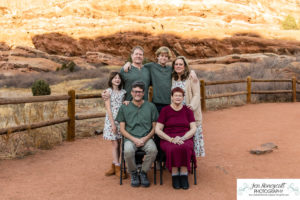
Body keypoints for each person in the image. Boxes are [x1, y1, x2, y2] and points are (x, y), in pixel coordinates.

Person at [123, 46, 198, 113]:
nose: (164, 58)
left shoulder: (170, 69)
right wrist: (128, 63)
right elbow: (138, 65)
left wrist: (192, 71)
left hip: (170, 103)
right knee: (157, 124)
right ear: (157, 57)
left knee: (168, 125)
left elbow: (180, 68)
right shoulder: (151, 66)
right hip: (156, 103)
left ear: (168, 58)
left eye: (166, 56)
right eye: (161, 55)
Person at [116, 81, 158, 187]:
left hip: (146, 138)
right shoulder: (124, 107)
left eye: (139, 92)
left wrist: (144, 139)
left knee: (153, 150)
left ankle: (143, 172)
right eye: (135, 91)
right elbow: (122, 129)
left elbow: (154, 127)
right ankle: (134, 173)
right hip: (130, 138)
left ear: (144, 93)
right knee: (128, 151)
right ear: (131, 93)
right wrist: (134, 139)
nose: (137, 94)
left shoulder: (151, 107)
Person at [155, 87, 197, 189]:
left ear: (183, 98)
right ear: (172, 97)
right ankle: (174, 174)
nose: (178, 97)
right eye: (175, 95)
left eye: (180, 96)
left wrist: (183, 138)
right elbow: (157, 129)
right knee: (173, 148)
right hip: (168, 137)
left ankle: (183, 173)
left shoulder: (188, 111)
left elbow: (193, 128)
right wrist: (171, 139)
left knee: (185, 147)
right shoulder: (165, 110)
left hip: (185, 137)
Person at [171, 56, 205, 157]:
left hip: (189, 111)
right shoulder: (173, 78)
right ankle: (181, 158)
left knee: (191, 134)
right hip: (177, 112)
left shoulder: (191, 77)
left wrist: (191, 106)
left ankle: (191, 159)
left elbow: (197, 94)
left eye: (181, 64)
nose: (178, 66)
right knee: (180, 134)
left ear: (185, 66)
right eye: (176, 64)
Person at [103, 72, 127, 178]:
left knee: (120, 143)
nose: (117, 79)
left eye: (118, 78)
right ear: (111, 79)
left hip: (121, 120)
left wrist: (126, 103)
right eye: (115, 78)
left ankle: (113, 165)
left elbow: (122, 104)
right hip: (111, 120)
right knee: (115, 144)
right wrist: (112, 124)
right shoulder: (108, 92)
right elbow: (108, 108)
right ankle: (118, 167)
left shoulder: (123, 92)